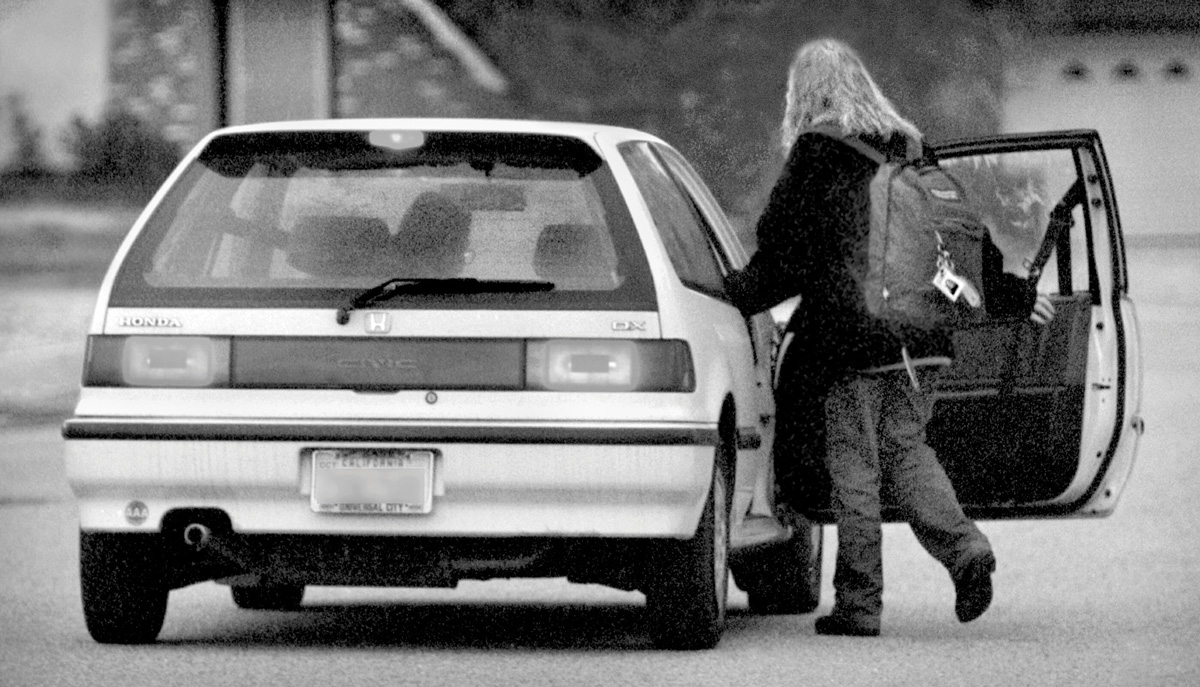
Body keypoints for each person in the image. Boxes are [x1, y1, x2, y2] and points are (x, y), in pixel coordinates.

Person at [723, 38, 1056, 637]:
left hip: (855, 341)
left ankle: (859, 603)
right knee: (907, 451)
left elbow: (786, 250)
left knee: (855, 466)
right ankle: (966, 550)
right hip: (924, 338)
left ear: (804, 93)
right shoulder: (911, 149)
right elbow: (965, 238)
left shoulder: (819, 152)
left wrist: (734, 296)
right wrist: (1013, 296)